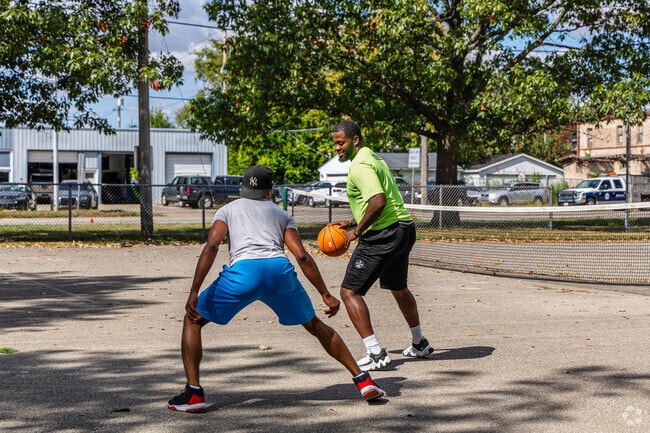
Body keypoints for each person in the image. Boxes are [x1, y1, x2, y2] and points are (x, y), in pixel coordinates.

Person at [167, 164, 384, 413]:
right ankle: (363, 380)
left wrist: (194, 290)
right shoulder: (282, 215)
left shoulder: (227, 210)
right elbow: (302, 256)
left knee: (192, 321)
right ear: (270, 190)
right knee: (314, 325)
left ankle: (194, 395)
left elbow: (212, 246)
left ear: (244, 187)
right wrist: (325, 294)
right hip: (279, 271)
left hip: (243, 273)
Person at [332, 120, 434, 371]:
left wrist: (357, 230)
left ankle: (375, 353)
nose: (337, 148)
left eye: (341, 143)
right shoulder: (373, 157)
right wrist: (355, 219)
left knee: (349, 292)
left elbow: (377, 201)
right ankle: (419, 342)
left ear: (355, 140)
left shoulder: (360, 165)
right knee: (399, 288)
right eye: (335, 144)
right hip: (403, 228)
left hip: (384, 233)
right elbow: (383, 200)